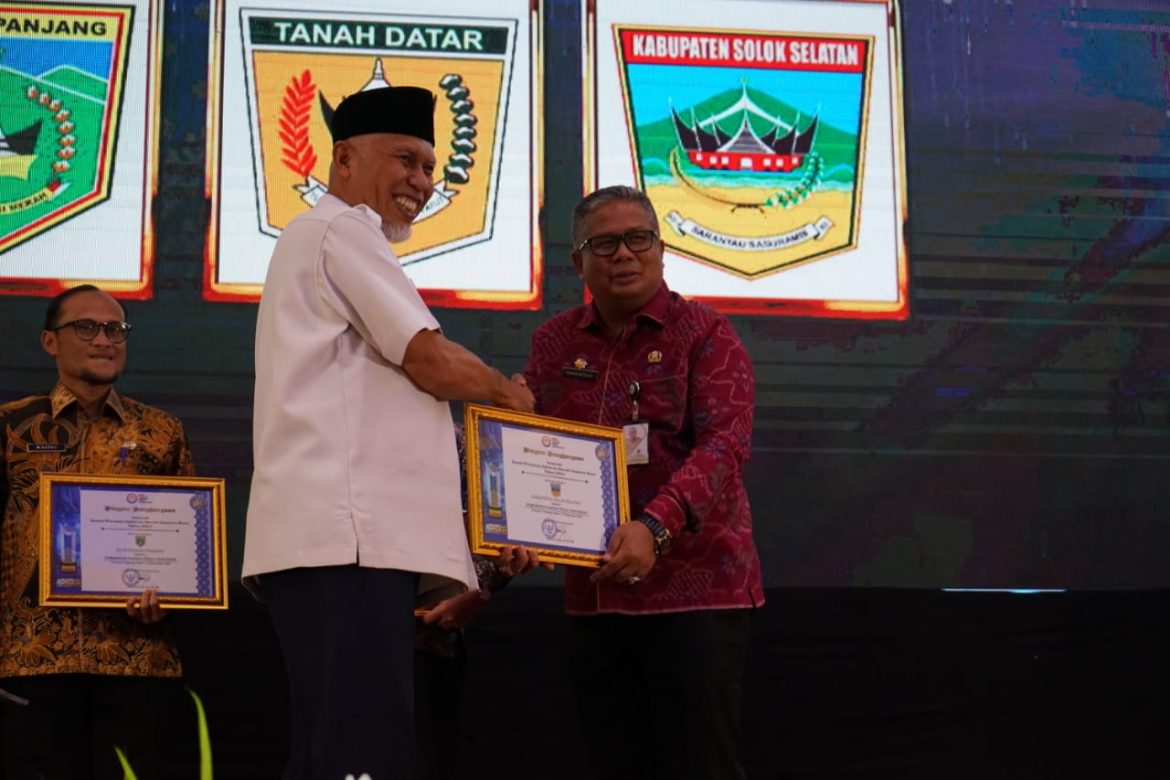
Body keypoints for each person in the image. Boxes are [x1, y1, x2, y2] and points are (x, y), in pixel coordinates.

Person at [243, 85, 534, 780]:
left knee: (337, 752)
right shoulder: (340, 230)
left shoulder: (331, 238)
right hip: (344, 545)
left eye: (430, 167)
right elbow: (428, 359)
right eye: (406, 159)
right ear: (344, 158)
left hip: (343, 547)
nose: (423, 182)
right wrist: (508, 395)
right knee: (360, 755)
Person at [523, 186, 764, 780]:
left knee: (701, 766)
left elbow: (725, 445)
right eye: (604, 244)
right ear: (578, 261)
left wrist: (654, 526)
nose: (624, 254)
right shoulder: (553, 343)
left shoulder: (706, 333)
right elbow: (527, 447)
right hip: (595, 597)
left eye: (638, 239)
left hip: (695, 594)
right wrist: (503, 548)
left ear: (660, 249)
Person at [0, 285, 194, 779]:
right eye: (86, 327)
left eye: (115, 329)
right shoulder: (11, 427)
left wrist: (172, 596)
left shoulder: (162, 432)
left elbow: (188, 545)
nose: (104, 340)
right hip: (32, 659)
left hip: (137, 658)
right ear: (49, 341)